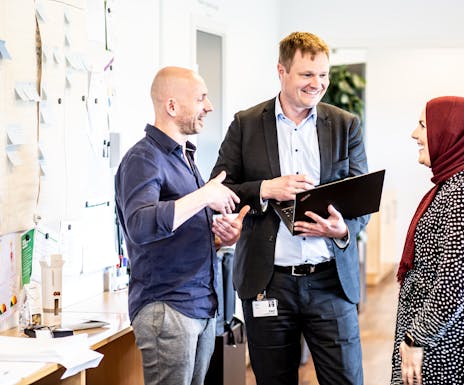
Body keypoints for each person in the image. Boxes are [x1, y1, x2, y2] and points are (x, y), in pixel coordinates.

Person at [210, 31, 368, 385]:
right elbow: (218, 188)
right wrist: (266, 188)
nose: (318, 84)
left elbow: (361, 202)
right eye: (307, 74)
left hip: (331, 282)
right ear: (281, 71)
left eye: (324, 75)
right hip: (269, 283)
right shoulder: (246, 124)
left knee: (346, 379)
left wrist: (343, 230)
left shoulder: (346, 126)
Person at [114, 66, 250, 385]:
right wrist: (204, 196)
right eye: (201, 98)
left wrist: (218, 237)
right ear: (172, 106)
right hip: (168, 307)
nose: (209, 106)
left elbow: (176, 228)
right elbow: (140, 224)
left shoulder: (184, 157)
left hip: (199, 304)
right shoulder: (143, 159)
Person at [392, 96, 464, 385]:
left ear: (452, 133)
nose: (414, 134)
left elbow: (454, 283)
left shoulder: (463, 195)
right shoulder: (454, 186)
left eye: (423, 125)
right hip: (436, 333)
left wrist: (417, 339)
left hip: (445, 338)